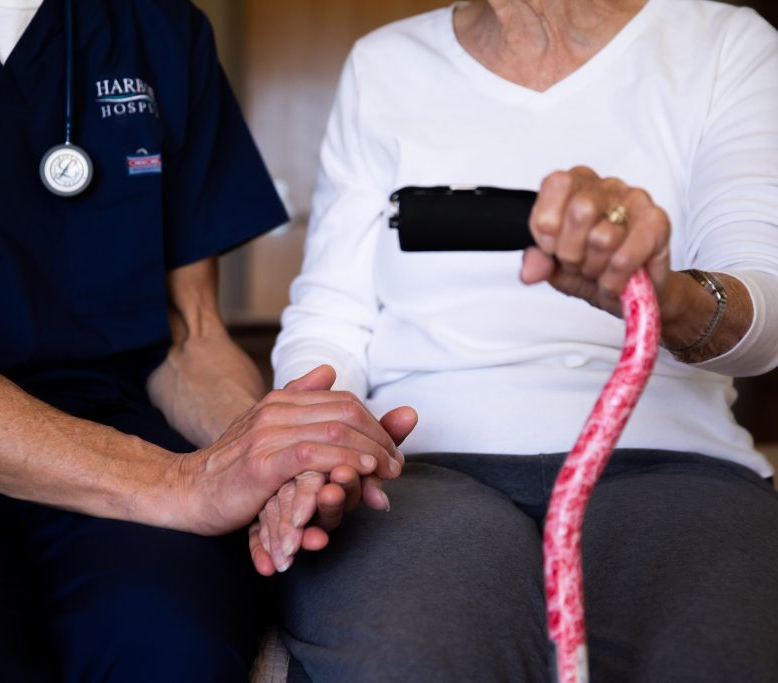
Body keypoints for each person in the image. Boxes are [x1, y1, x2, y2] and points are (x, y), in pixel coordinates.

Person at [0, 1, 412, 680]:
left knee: (172, 647)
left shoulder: (158, 27)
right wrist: (175, 481)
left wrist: (273, 458)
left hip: (117, 427)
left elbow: (189, 338)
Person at [255, 0, 778, 680]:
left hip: (672, 464)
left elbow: (762, 310)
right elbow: (331, 317)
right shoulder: (383, 64)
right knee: (411, 652)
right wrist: (311, 445)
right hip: (418, 472)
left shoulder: (724, 44)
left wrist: (664, 295)